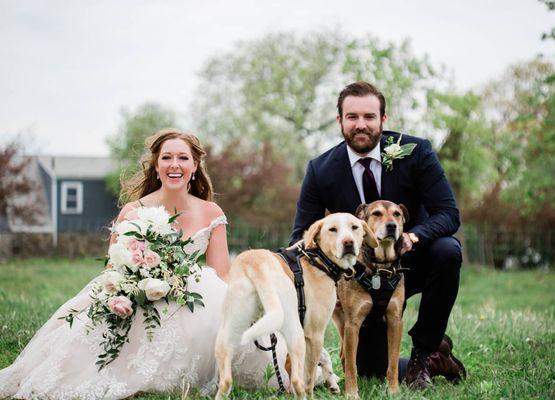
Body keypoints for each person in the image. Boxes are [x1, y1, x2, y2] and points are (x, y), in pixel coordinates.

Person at [0, 129, 289, 399]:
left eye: (182, 157)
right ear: (156, 165)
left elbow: (222, 272)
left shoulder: (211, 212)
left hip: (191, 295)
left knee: (221, 307)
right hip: (138, 295)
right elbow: (113, 268)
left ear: (195, 165)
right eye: (166, 157)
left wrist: (244, 305)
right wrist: (132, 285)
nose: (174, 164)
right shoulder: (134, 211)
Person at [290, 81, 467, 389]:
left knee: (447, 250)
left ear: (383, 120)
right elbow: (303, 235)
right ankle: (441, 357)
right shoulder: (321, 170)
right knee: (368, 368)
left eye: (369, 117)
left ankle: (424, 354)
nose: (361, 124)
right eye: (352, 116)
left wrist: (412, 237)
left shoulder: (417, 152)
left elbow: (448, 214)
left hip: (415, 262)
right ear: (340, 121)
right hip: (361, 276)